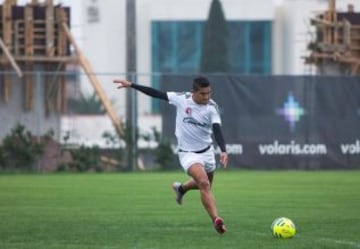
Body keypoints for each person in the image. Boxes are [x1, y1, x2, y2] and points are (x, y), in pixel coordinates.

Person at [113, 76, 228, 234]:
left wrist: (223, 150)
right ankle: (216, 220)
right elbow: (156, 93)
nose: (207, 97)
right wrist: (132, 85)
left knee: (204, 183)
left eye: (209, 93)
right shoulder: (181, 99)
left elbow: (217, 129)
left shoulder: (212, 107)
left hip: (207, 152)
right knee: (204, 183)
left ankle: (181, 189)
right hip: (187, 153)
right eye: (203, 94)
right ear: (193, 92)